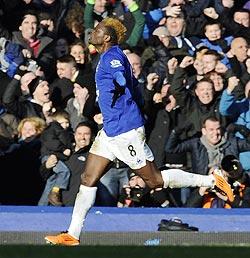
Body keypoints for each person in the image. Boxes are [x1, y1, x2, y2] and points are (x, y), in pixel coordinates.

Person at [44, 17, 234, 246]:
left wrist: (119, 83)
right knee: (88, 177)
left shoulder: (112, 58)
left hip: (126, 132)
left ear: (106, 38)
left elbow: (121, 78)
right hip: (111, 131)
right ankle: (73, 234)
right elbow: (133, 86)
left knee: (154, 181)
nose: (92, 33)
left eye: (97, 31)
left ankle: (212, 181)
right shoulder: (112, 56)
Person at [38, 110, 73, 206]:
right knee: (64, 171)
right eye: (63, 122)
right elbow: (51, 142)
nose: (66, 125)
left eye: (67, 122)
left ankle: (42, 205)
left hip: (56, 156)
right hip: (49, 156)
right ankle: (55, 192)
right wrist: (63, 149)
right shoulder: (52, 129)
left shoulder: (65, 132)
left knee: (51, 180)